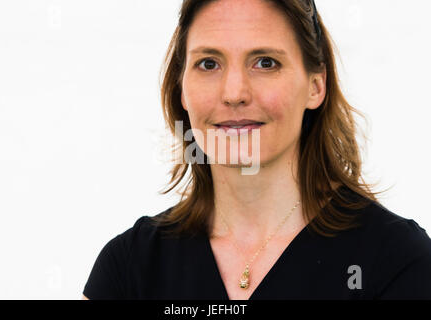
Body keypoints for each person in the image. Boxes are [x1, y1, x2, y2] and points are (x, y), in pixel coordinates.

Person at [82, 0, 431, 300]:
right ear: (182, 88)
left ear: (315, 85)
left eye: (265, 62)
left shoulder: (396, 262)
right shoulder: (131, 268)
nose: (234, 92)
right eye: (209, 63)